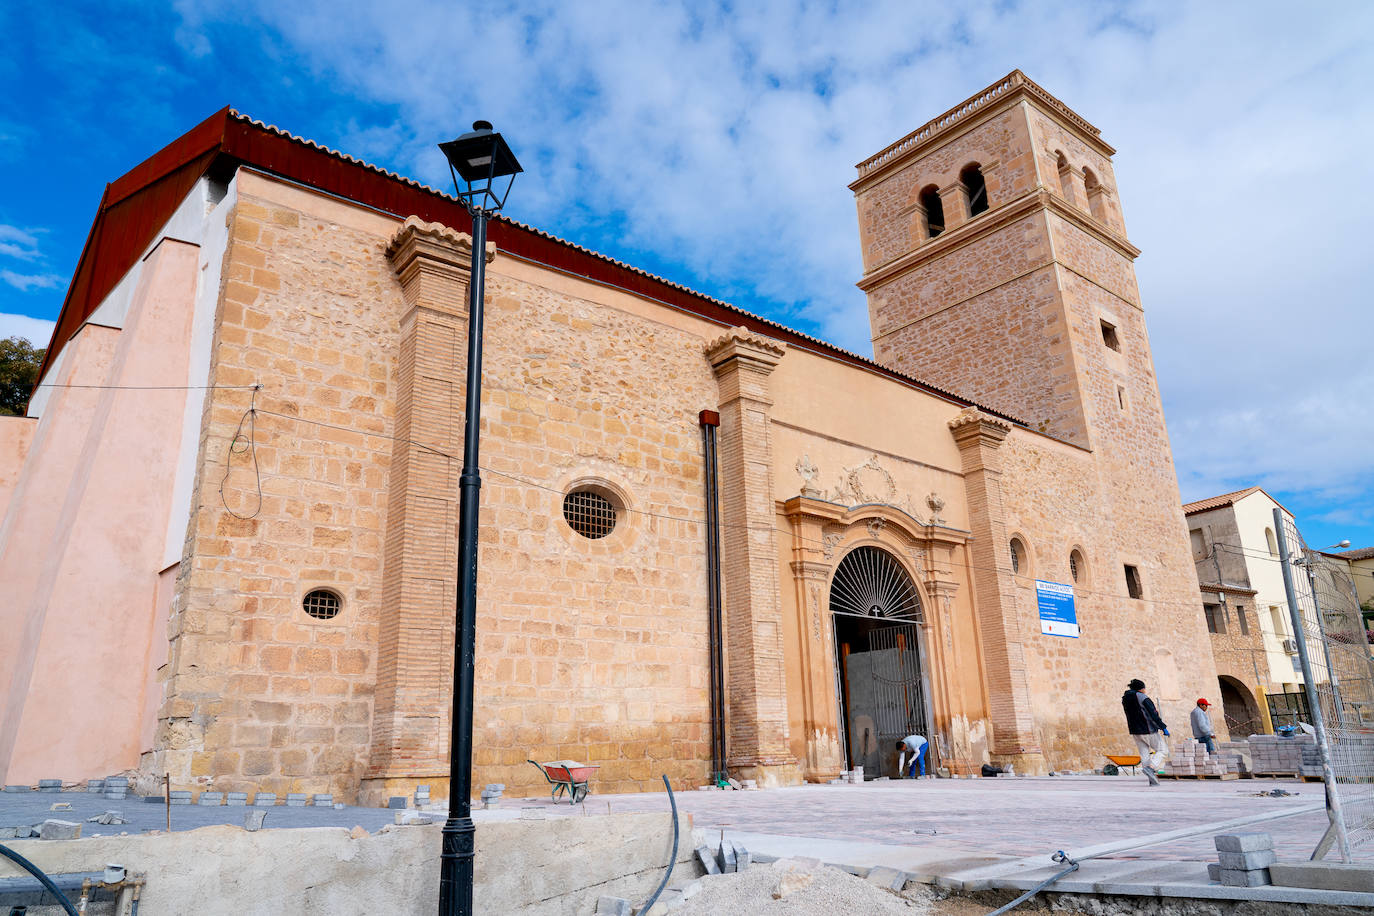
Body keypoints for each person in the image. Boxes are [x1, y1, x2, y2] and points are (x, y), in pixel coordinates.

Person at [1121, 678, 1169, 786]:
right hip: (1148, 729)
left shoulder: (1125, 699)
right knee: (1162, 750)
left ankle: (1151, 780)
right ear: (1141, 688)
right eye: (1144, 688)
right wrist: (1163, 727)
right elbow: (1153, 714)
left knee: (1145, 755)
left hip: (1135, 731)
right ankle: (1151, 769)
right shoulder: (1142, 697)